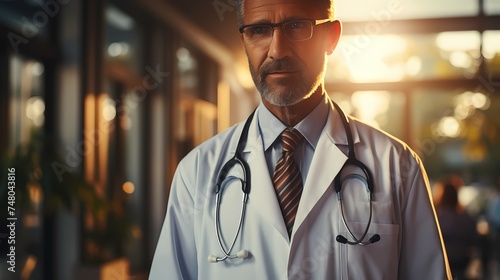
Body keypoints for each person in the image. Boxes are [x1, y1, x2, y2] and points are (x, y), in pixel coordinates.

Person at [149, 0, 452, 279]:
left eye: (297, 26)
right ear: (244, 41)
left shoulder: (396, 165)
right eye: (259, 30)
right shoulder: (197, 172)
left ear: (331, 37)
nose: (278, 50)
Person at [433, 175, 477, 279]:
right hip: (462, 262)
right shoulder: (466, 218)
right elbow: (473, 240)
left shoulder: (436, 218)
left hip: (442, 262)